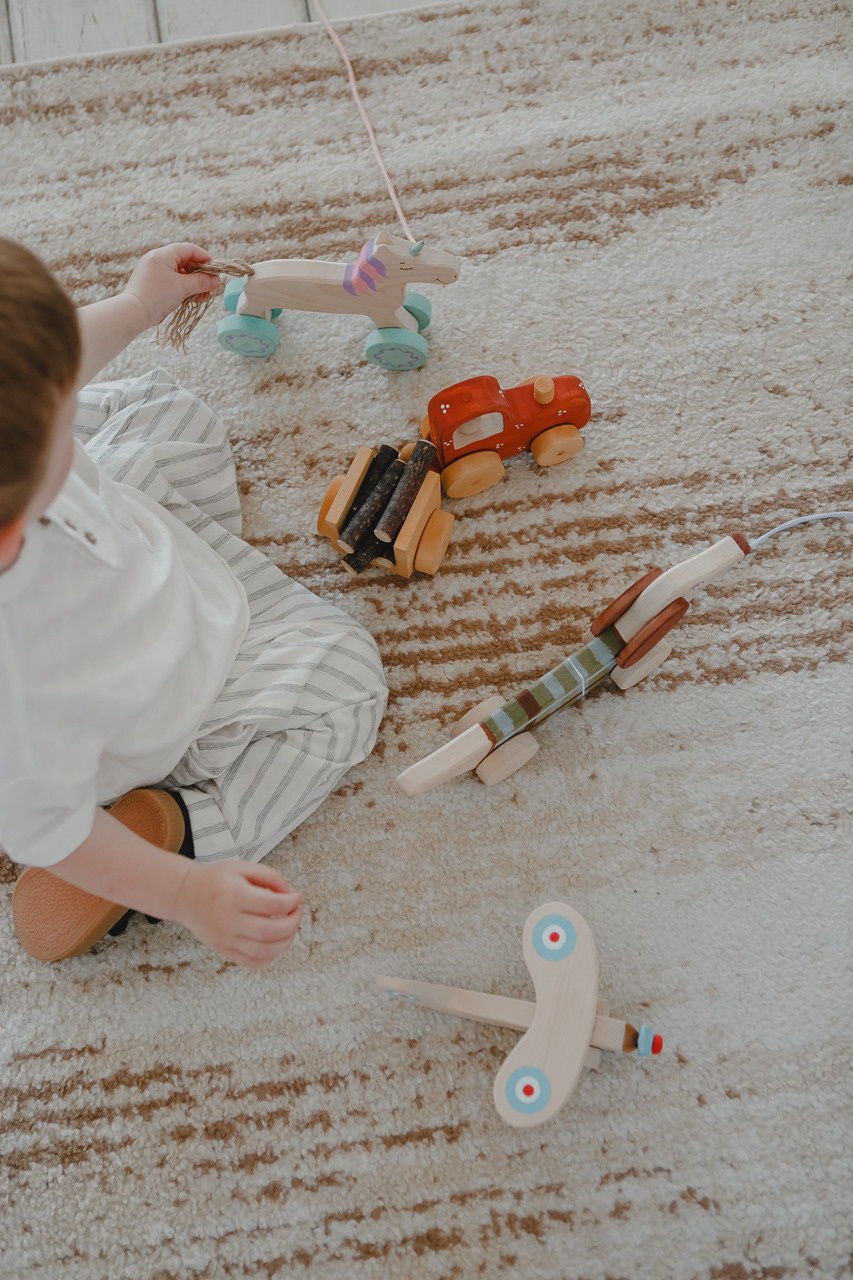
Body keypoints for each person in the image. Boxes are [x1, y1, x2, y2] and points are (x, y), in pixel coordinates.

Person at [0, 239, 388, 968]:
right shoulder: (20, 697)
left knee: (165, 405)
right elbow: (42, 823)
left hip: (131, 537)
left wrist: (138, 306)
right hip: (156, 691)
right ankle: (180, 825)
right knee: (344, 682)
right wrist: (184, 892)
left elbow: (56, 368)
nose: (70, 382)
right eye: (59, 401)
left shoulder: (23, 475)